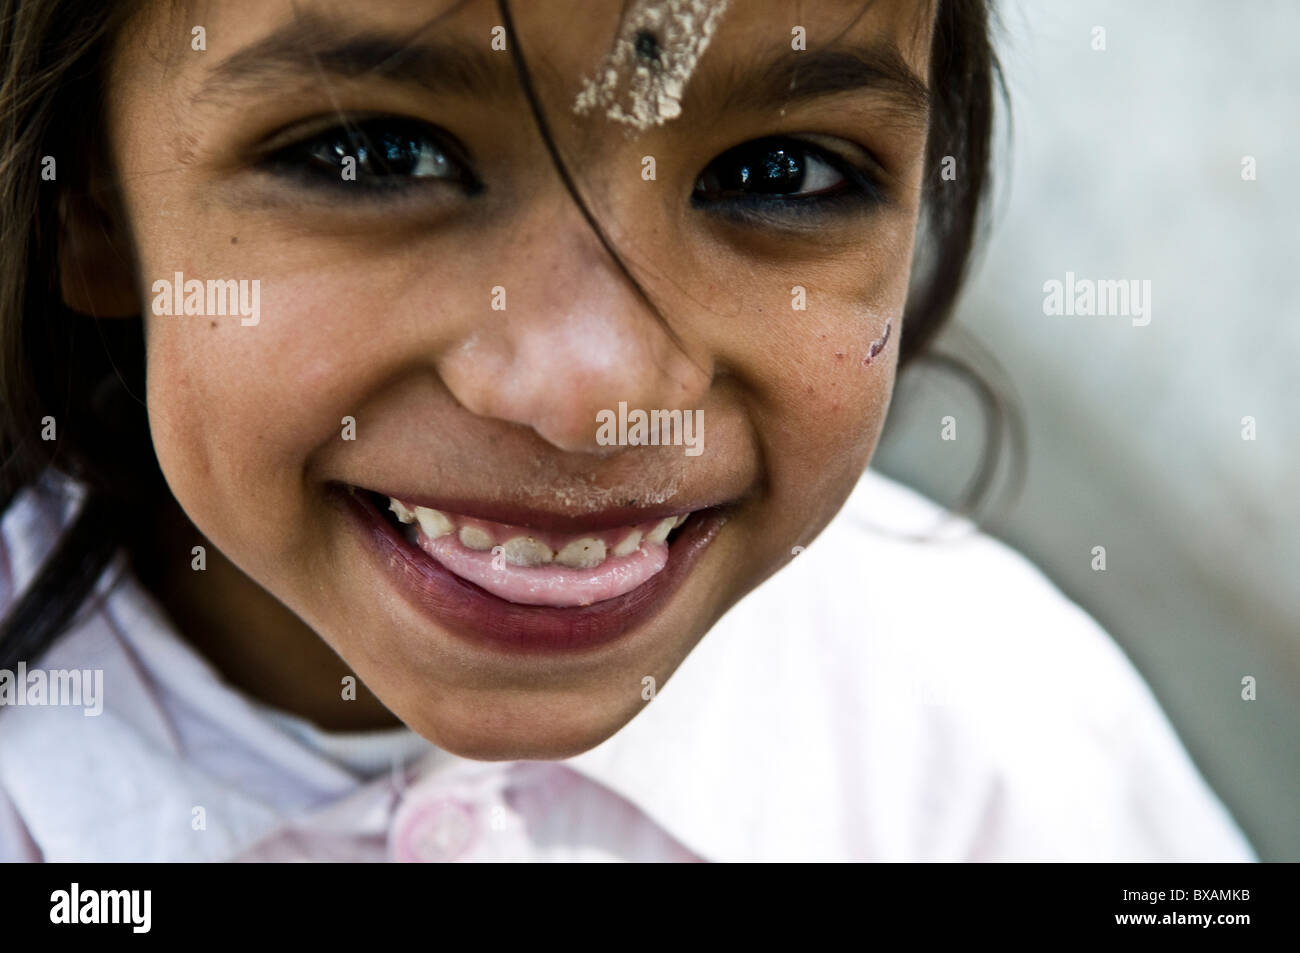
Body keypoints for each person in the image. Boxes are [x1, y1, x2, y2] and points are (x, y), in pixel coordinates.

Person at [0, 0, 1256, 861]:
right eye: (374, 152)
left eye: (779, 173)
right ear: (90, 204)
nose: (594, 388)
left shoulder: (996, 740)